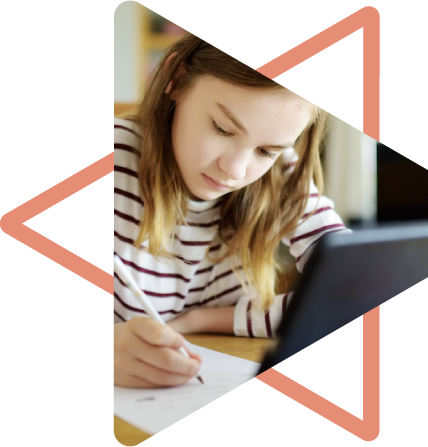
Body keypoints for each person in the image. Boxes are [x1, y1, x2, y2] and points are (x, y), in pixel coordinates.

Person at [113, 33, 352, 388]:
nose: (236, 170)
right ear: (176, 80)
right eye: (222, 129)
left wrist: (201, 320)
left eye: (266, 151)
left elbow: (352, 293)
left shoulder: (282, 172)